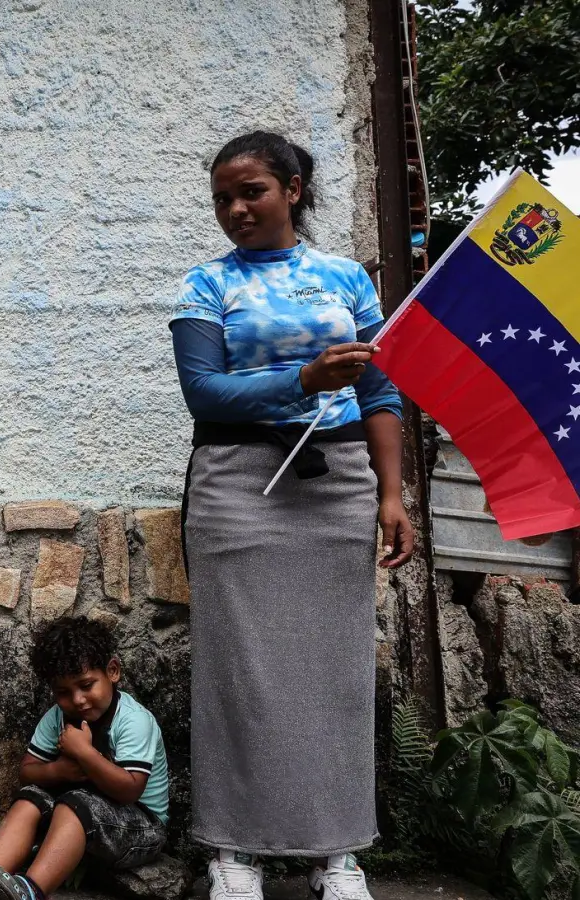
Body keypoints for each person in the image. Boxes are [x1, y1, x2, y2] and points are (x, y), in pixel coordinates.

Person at [169, 131, 414, 900]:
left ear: (294, 190)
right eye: (222, 199)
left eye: (251, 192)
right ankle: (232, 851)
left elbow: (379, 392)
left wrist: (390, 492)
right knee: (237, 670)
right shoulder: (205, 286)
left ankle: (335, 853)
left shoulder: (346, 280)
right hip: (238, 481)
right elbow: (203, 393)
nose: (235, 210)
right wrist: (304, 376)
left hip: (335, 480)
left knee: (334, 673)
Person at [0, 617, 168, 900]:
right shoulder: (57, 718)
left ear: (113, 671)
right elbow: (27, 772)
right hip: (85, 825)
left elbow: (130, 789)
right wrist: (61, 770)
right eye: (64, 692)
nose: (78, 700)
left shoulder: (134, 721)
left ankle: (30, 891)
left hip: (141, 829)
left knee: (76, 804)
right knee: (32, 796)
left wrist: (84, 754)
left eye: (87, 685)